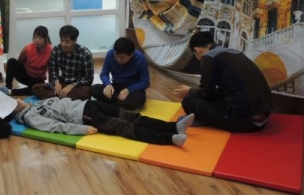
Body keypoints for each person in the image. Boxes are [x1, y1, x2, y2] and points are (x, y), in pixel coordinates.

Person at [173, 31, 274, 133]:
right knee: (216, 97)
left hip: (245, 121)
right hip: (263, 119)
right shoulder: (233, 52)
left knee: (188, 101)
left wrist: (189, 91)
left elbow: (205, 93)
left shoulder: (209, 56)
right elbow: (222, 91)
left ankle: (206, 119)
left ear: (197, 50)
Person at [12, 97, 194, 146]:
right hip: (84, 116)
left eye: (13, 100)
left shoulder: (34, 103)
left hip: (89, 104)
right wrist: (81, 130)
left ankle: (174, 126)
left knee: (132, 116)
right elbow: (55, 127)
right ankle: (169, 138)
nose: (15, 102)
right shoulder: (30, 117)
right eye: (12, 105)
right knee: (124, 126)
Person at [32, 25, 93, 100]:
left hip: (77, 86)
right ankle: (65, 97)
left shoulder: (85, 53)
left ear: (74, 41)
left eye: (67, 41)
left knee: (85, 93)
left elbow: (89, 78)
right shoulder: (56, 50)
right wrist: (56, 82)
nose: (63, 44)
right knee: (36, 88)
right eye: (61, 40)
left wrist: (72, 85)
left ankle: (59, 97)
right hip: (62, 83)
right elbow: (53, 70)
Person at [91, 37, 149, 111]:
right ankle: (118, 105)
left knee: (139, 99)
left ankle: (109, 105)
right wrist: (108, 84)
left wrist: (128, 90)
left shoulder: (140, 58)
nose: (118, 59)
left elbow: (145, 82)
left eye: (122, 58)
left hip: (132, 89)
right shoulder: (110, 54)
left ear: (131, 55)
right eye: (116, 55)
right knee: (94, 89)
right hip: (116, 86)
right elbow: (104, 73)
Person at [5, 26, 52, 96]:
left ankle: (11, 92)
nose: (37, 40)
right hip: (26, 74)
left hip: (38, 79)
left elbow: (51, 70)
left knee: (39, 89)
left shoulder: (51, 50)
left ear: (45, 39)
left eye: (40, 38)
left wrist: (51, 85)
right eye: (35, 38)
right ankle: (7, 87)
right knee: (11, 61)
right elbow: (20, 61)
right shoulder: (27, 49)